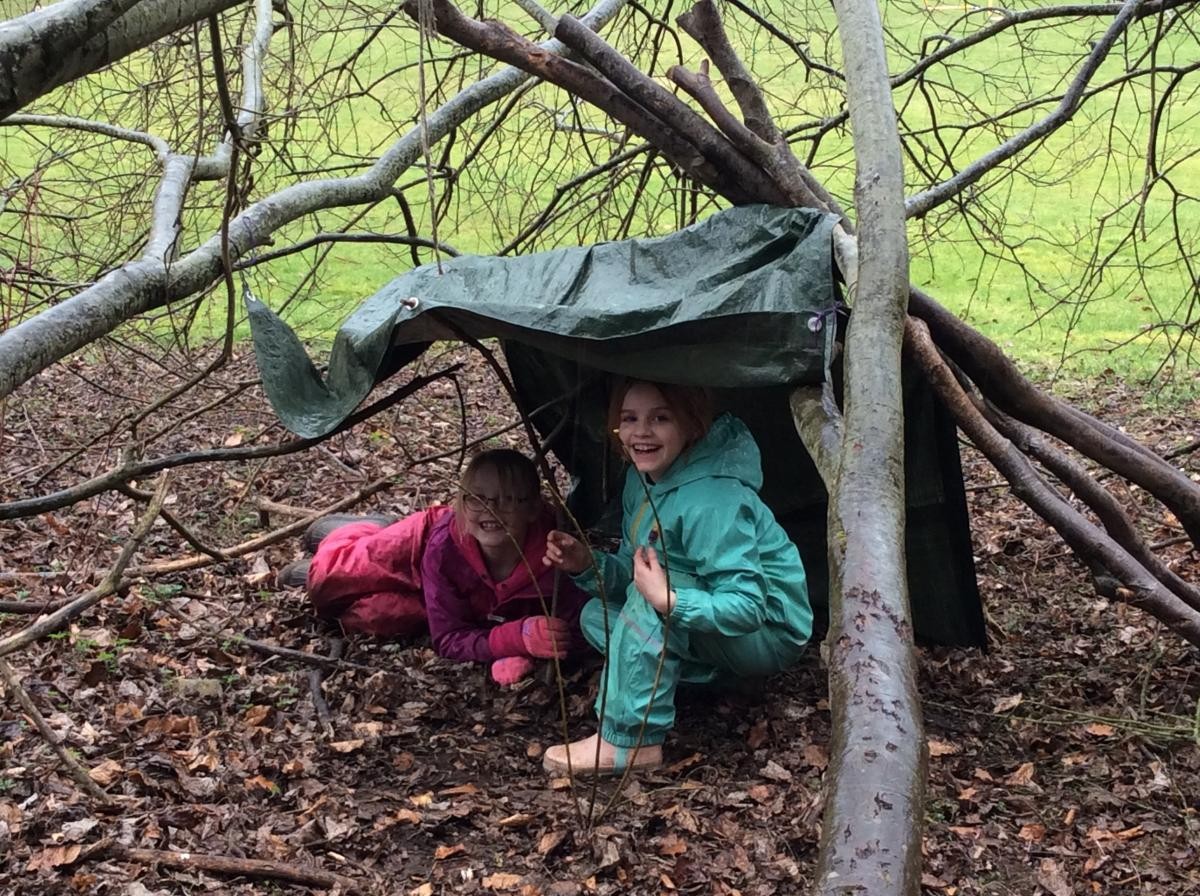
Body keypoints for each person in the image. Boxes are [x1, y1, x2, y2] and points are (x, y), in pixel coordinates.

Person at [542, 380, 812, 775]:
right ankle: (723, 679)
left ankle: (630, 742)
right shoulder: (642, 479)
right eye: (629, 419)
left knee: (648, 603)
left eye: (661, 418)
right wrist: (588, 564)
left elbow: (749, 605)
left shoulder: (713, 499)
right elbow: (638, 570)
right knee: (595, 617)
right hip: (711, 614)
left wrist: (670, 601)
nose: (641, 432)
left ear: (692, 425)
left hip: (769, 629)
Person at [301, 449, 590, 686]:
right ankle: (367, 531)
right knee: (326, 582)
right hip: (420, 546)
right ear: (462, 504)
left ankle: (335, 559)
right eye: (477, 499)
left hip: (449, 597)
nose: (491, 509)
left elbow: (449, 637)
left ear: (533, 509)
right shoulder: (444, 544)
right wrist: (513, 638)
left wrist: (519, 646)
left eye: (508, 499)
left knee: (377, 617)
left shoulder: (558, 557)